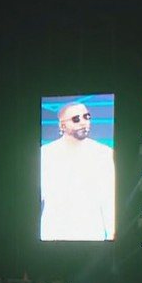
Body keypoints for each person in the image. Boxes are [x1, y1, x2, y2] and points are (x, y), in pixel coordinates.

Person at [40, 102, 115, 241]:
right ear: (62, 125)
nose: (83, 122)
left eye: (87, 117)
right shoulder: (46, 154)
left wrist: (112, 234)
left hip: (91, 235)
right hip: (53, 235)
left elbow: (109, 197)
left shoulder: (103, 154)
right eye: (76, 119)